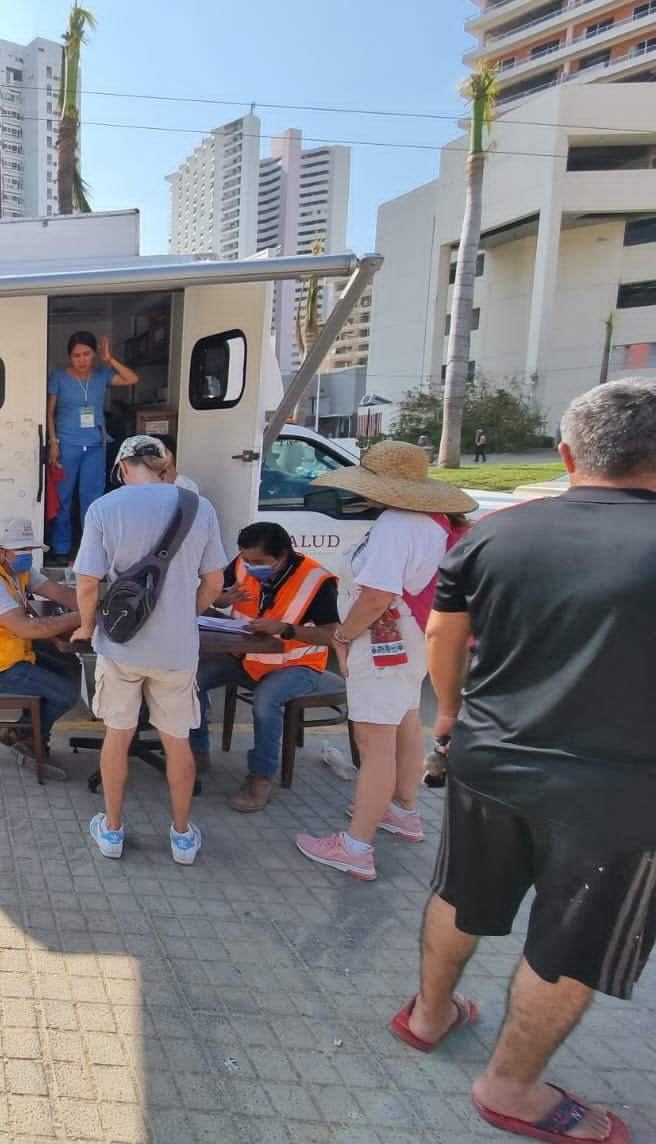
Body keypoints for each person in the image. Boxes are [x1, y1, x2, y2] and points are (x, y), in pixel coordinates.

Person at [396, 380, 656, 1144]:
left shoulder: (495, 534)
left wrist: (448, 715)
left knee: (459, 892)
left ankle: (428, 1013)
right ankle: (511, 1088)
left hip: (489, 755)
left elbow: (443, 640)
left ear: (568, 454)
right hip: (619, 787)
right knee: (571, 941)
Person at [294, 440, 476, 881]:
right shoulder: (432, 521)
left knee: (375, 745)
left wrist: (342, 635)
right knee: (406, 723)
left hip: (382, 643)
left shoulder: (396, 525)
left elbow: (376, 596)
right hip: (412, 639)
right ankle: (403, 810)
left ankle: (356, 845)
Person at [72, 436, 226, 864]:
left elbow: (88, 582)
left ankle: (113, 831)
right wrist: (183, 613)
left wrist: (87, 627)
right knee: (177, 741)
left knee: (118, 736)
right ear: (164, 466)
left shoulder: (104, 508)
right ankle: (181, 837)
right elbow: (215, 583)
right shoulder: (200, 508)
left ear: (122, 467)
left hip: (121, 645)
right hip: (177, 651)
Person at [188, 522, 344, 810]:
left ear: (283, 554)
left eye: (258, 563)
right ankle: (197, 752)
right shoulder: (242, 562)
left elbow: (331, 636)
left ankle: (261, 776)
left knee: (265, 701)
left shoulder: (317, 580)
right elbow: (212, 593)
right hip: (244, 657)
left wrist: (285, 629)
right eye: (246, 560)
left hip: (297, 663)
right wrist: (221, 598)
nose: (249, 567)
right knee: (191, 678)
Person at [0, 517, 83, 781]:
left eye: (30, 549)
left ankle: (23, 733)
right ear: (1, 551)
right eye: (22, 550)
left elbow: (60, 593)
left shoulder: (17, 571)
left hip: (11, 657)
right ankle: (29, 738)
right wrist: (83, 617)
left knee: (68, 670)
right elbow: (27, 629)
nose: (27, 555)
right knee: (66, 693)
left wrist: (95, 602)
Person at [47, 331, 138, 562]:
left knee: (93, 500)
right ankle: (61, 548)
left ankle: (91, 548)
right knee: (63, 498)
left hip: (97, 444)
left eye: (86, 354)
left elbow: (131, 379)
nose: (81, 359)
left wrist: (111, 360)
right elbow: (49, 412)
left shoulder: (102, 375)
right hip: (67, 444)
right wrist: (53, 442)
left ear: (94, 354)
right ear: (69, 356)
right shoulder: (58, 377)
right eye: (76, 355)